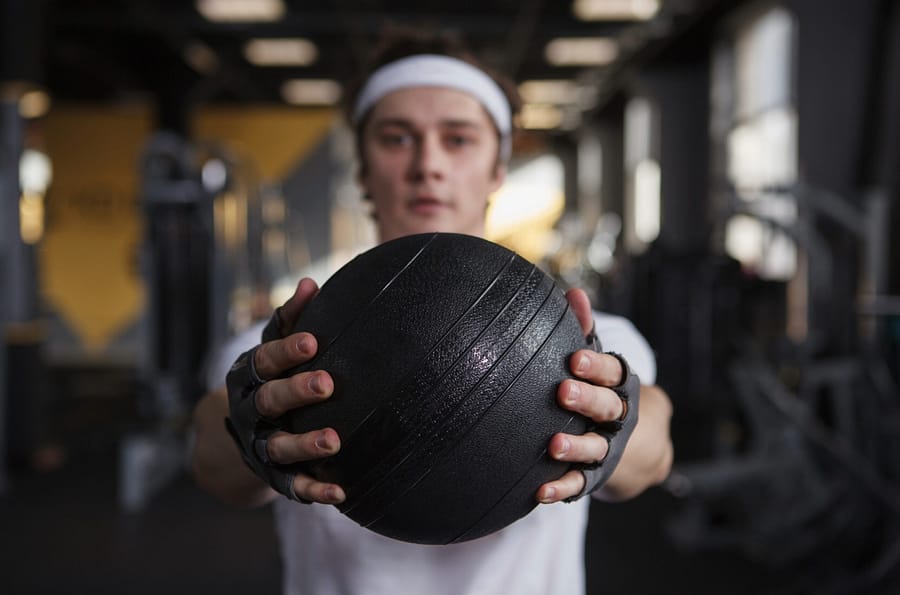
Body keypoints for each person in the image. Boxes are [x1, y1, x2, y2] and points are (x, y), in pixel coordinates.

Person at [191, 29, 673, 595]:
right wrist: (249, 429)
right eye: (396, 138)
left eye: (459, 139)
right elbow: (208, 456)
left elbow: (655, 449)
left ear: (498, 167)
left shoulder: (588, 342)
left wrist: (620, 422)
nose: (428, 165)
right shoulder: (280, 348)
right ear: (363, 172)